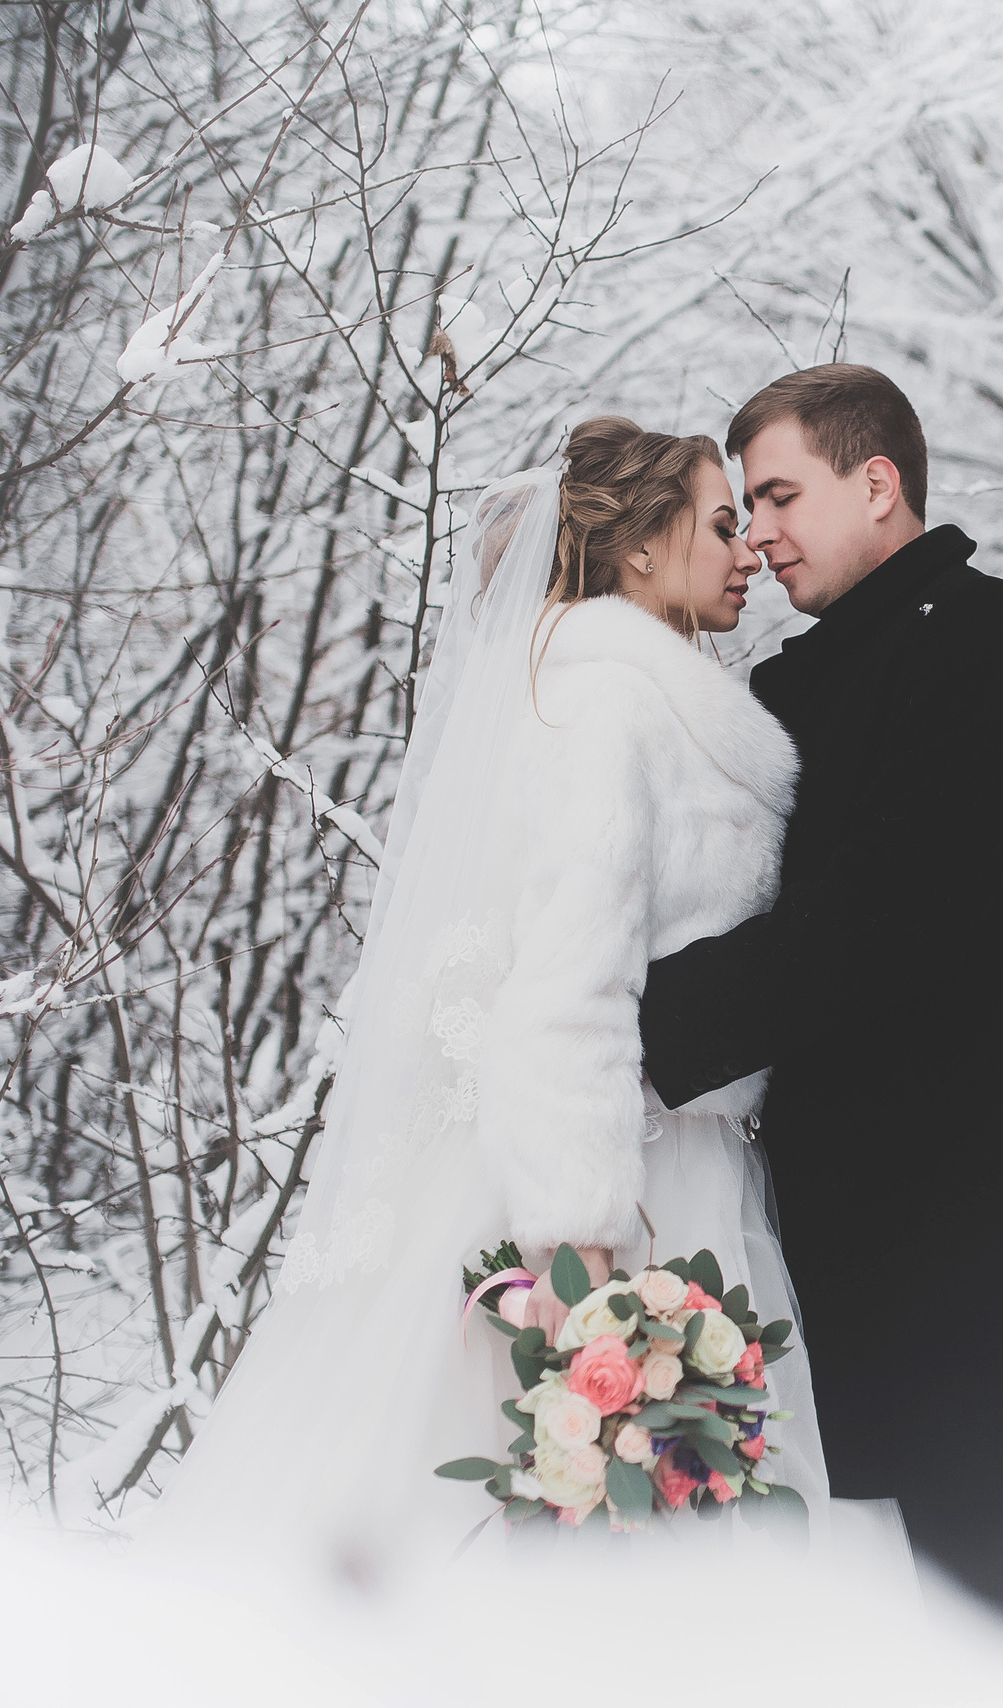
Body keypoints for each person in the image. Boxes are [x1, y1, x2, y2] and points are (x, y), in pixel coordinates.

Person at [157, 417, 851, 1562]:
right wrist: (583, 1286)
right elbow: (567, 990)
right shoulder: (607, 704)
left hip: (684, 1162)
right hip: (619, 1190)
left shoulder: (644, 697)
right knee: (599, 1543)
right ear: (636, 550)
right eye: (722, 524)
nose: (749, 552)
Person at [639, 365, 1003, 1647]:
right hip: (865, 1207)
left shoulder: (973, 634)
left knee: (973, 1547)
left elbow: (887, 917)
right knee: (917, 1557)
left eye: (781, 494)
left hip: (963, 1203)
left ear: (880, 483)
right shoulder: (824, 674)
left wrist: (649, 1026)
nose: (760, 533)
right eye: (745, 505)